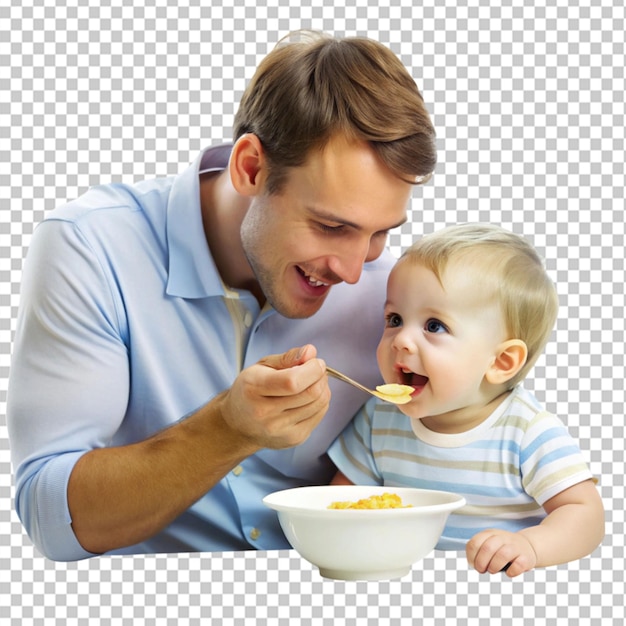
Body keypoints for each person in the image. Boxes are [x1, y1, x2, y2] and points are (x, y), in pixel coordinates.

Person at [6, 30, 437, 561]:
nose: (353, 271)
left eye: (380, 233)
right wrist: (226, 430)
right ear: (251, 167)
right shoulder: (92, 247)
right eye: (330, 226)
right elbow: (51, 521)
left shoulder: (397, 299)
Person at [329, 223, 605, 577]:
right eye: (395, 319)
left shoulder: (526, 431)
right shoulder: (378, 417)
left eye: (434, 326)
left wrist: (531, 546)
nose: (401, 341)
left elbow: (585, 514)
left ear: (500, 362)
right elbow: (340, 503)